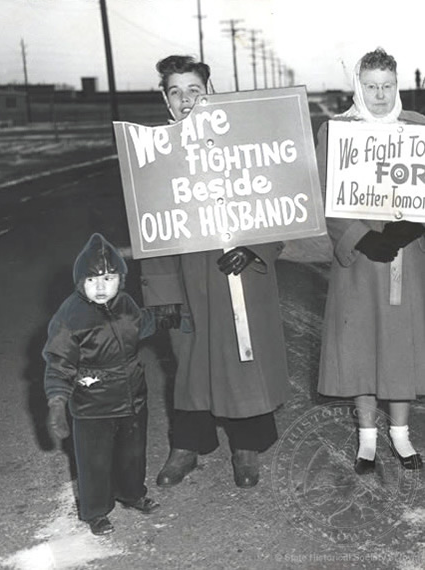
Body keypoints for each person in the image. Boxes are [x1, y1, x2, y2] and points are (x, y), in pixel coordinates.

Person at [141, 55, 290, 489]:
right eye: (175, 91)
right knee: (188, 361)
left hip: (236, 273)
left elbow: (278, 206)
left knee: (243, 358)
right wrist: (163, 292)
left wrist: (253, 247)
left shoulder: (244, 145)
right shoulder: (154, 156)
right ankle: (187, 444)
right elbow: (152, 229)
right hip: (186, 277)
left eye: (194, 90)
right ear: (166, 101)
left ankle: (247, 446)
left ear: (210, 93)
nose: (185, 100)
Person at [316, 48, 425, 474]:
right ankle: (366, 438)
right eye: (371, 86)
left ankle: (401, 433)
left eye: (387, 86)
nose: (379, 95)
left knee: (400, 342)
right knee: (360, 342)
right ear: (358, 87)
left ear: (397, 86)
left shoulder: (418, 128)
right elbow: (325, 194)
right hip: (360, 260)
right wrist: (361, 237)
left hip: (406, 256)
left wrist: (413, 225)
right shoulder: (338, 131)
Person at [43, 233, 161, 536]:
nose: (100, 287)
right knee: (94, 461)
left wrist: (175, 316)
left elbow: (143, 323)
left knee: (133, 453)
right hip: (93, 404)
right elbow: (58, 361)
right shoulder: (70, 316)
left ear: (120, 279)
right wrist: (57, 402)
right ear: (79, 281)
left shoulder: (126, 304)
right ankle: (96, 511)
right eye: (91, 279)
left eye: (108, 278)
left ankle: (132, 493)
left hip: (132, 398)